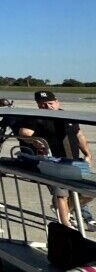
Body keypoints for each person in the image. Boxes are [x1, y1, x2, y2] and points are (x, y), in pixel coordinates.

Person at [17, 90, 94, 227]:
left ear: (57, 102)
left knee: (90, 191)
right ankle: (66, 227)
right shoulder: (36, 117)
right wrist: (33, 140)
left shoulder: (68, 116)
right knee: (61, 194)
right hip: (53, 163)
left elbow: (79, 135)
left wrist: (87, 153)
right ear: (38, 105)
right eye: (43, 104)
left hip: (76, 161)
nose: (47, 107)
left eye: (50, 103)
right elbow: (24, 133)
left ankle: (66, 210)